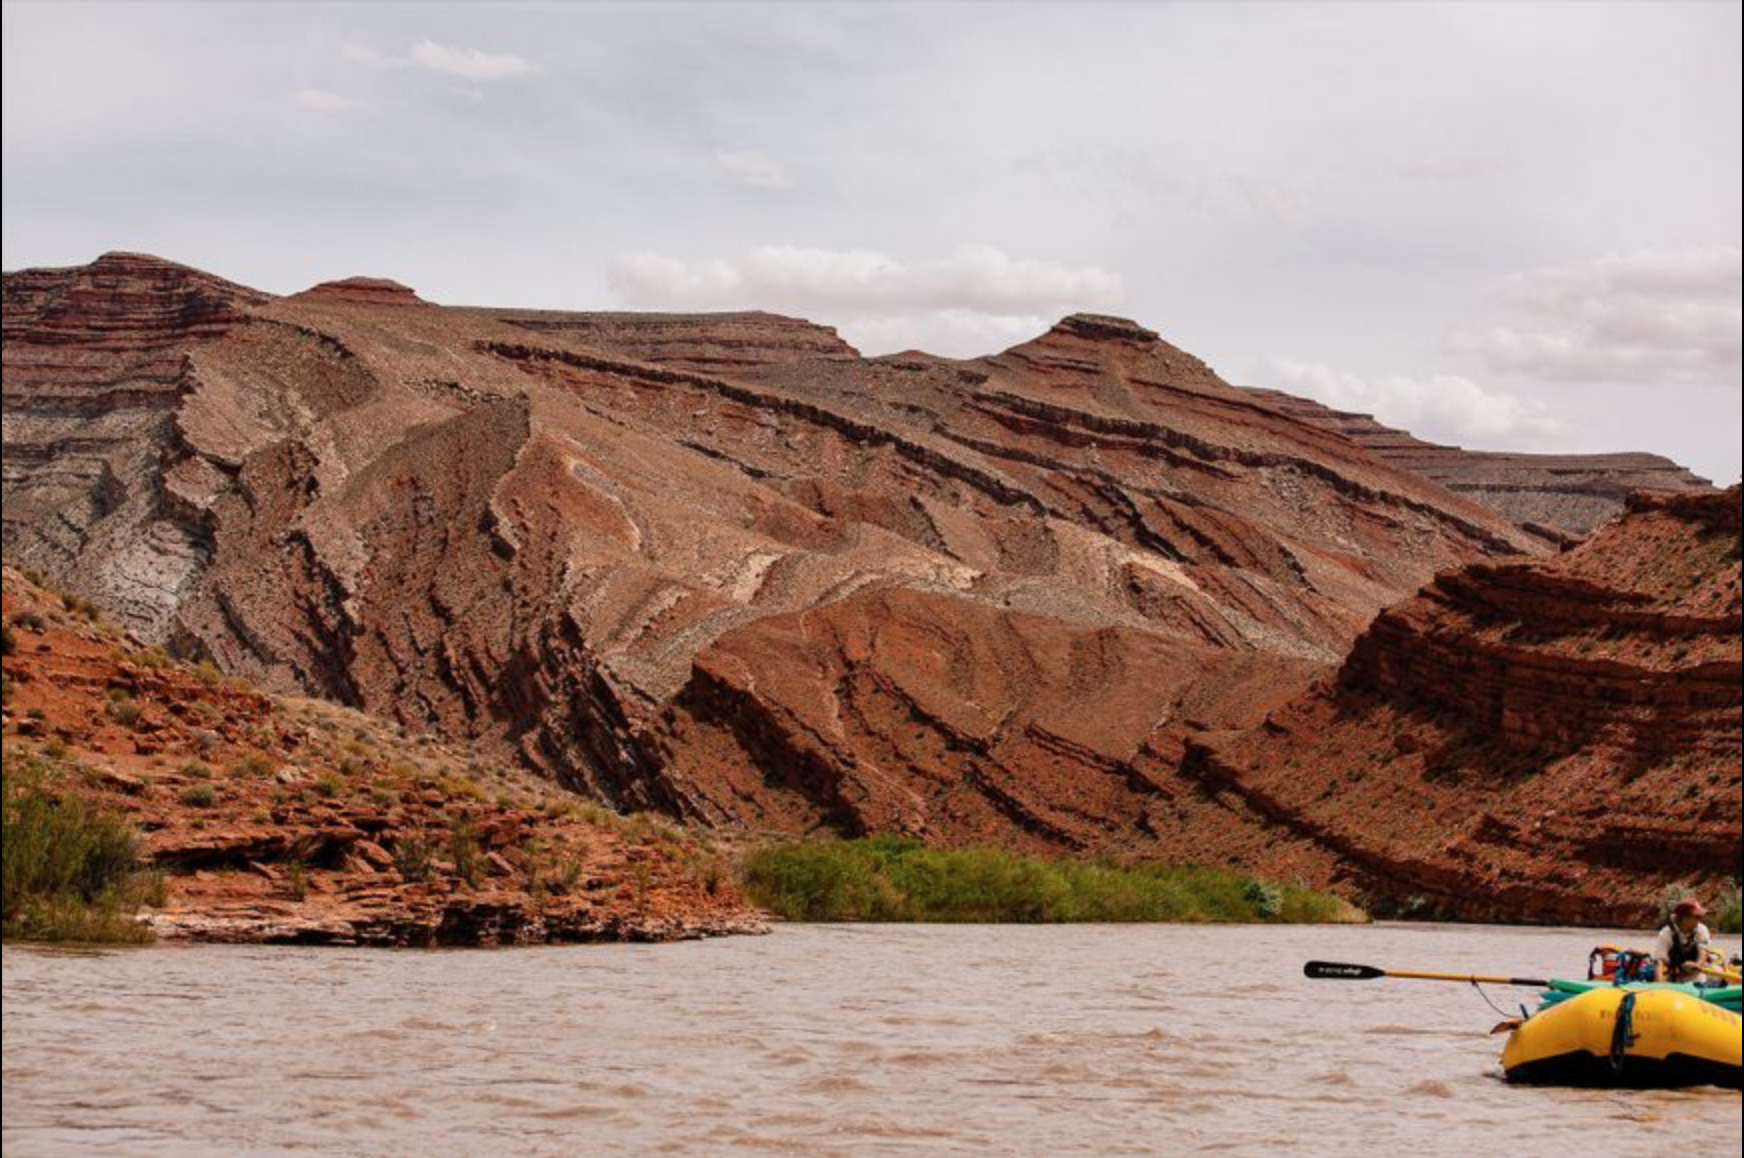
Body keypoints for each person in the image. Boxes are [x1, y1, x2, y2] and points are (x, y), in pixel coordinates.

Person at [1653, 898, 1712, 983]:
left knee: (1702, 978)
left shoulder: (1702, 929)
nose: (1699, 919)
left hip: (1698, 970)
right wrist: (1659, 985)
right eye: (1696, 917)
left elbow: (1703, 953)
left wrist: (1696, 965)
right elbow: (1659, 962)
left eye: (1699, 917)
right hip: (1675, 974)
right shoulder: (1666, 933)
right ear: (1684, 918)